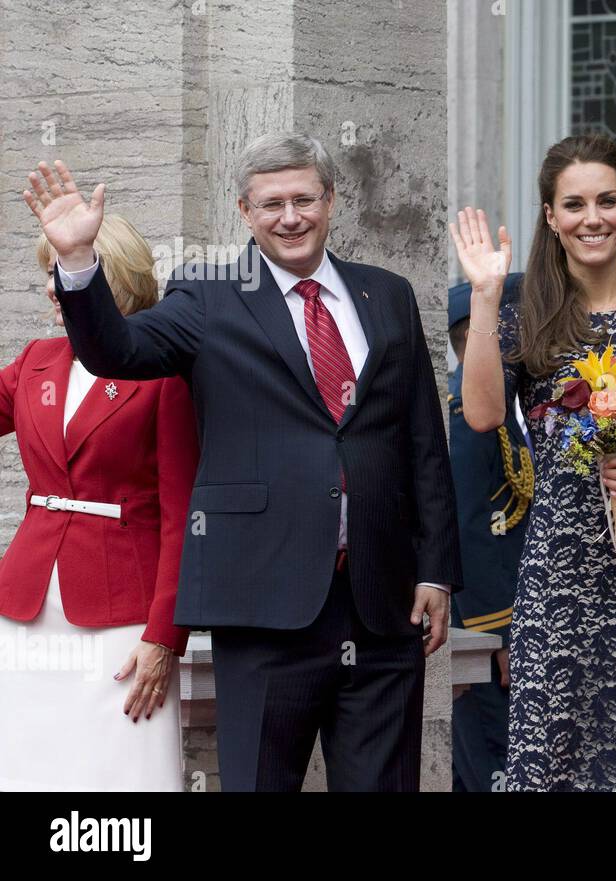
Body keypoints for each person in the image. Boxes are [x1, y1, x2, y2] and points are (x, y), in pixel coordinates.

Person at [23, 132, 463, 792]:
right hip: (263, 603)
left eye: (304, 198)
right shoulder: (207, 294)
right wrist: (79, 260)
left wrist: (435, 568)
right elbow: (118, 351)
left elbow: (422, 439)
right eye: (271, 204)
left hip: (381, 604)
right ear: (244, 211)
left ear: (331, 199)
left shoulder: (387, 294)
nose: (290, 216)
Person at [452, 134, 616, 791]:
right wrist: (486, 295)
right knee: (551, 762)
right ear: (551, 216)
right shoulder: (529, 316)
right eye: (574, 204)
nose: (591, 217)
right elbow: (482, 412)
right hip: (557, 574)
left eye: (607, 200)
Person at [0, 216, 199, 791]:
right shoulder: (37, 358)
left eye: (61, 271)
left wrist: (164, 636)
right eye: (49, 272)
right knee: (26, 763)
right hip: (27, 611)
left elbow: (182, 516)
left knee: (121, 774)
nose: (49, 288)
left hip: (124, 620)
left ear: (109, 279)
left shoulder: (166, 372)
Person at [447, 272, 531, 791]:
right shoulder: (465, 409)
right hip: (488, 628)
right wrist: (493, 634)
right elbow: (467, 526)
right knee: (491, 761)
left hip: (516, 615)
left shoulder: (507, 402)